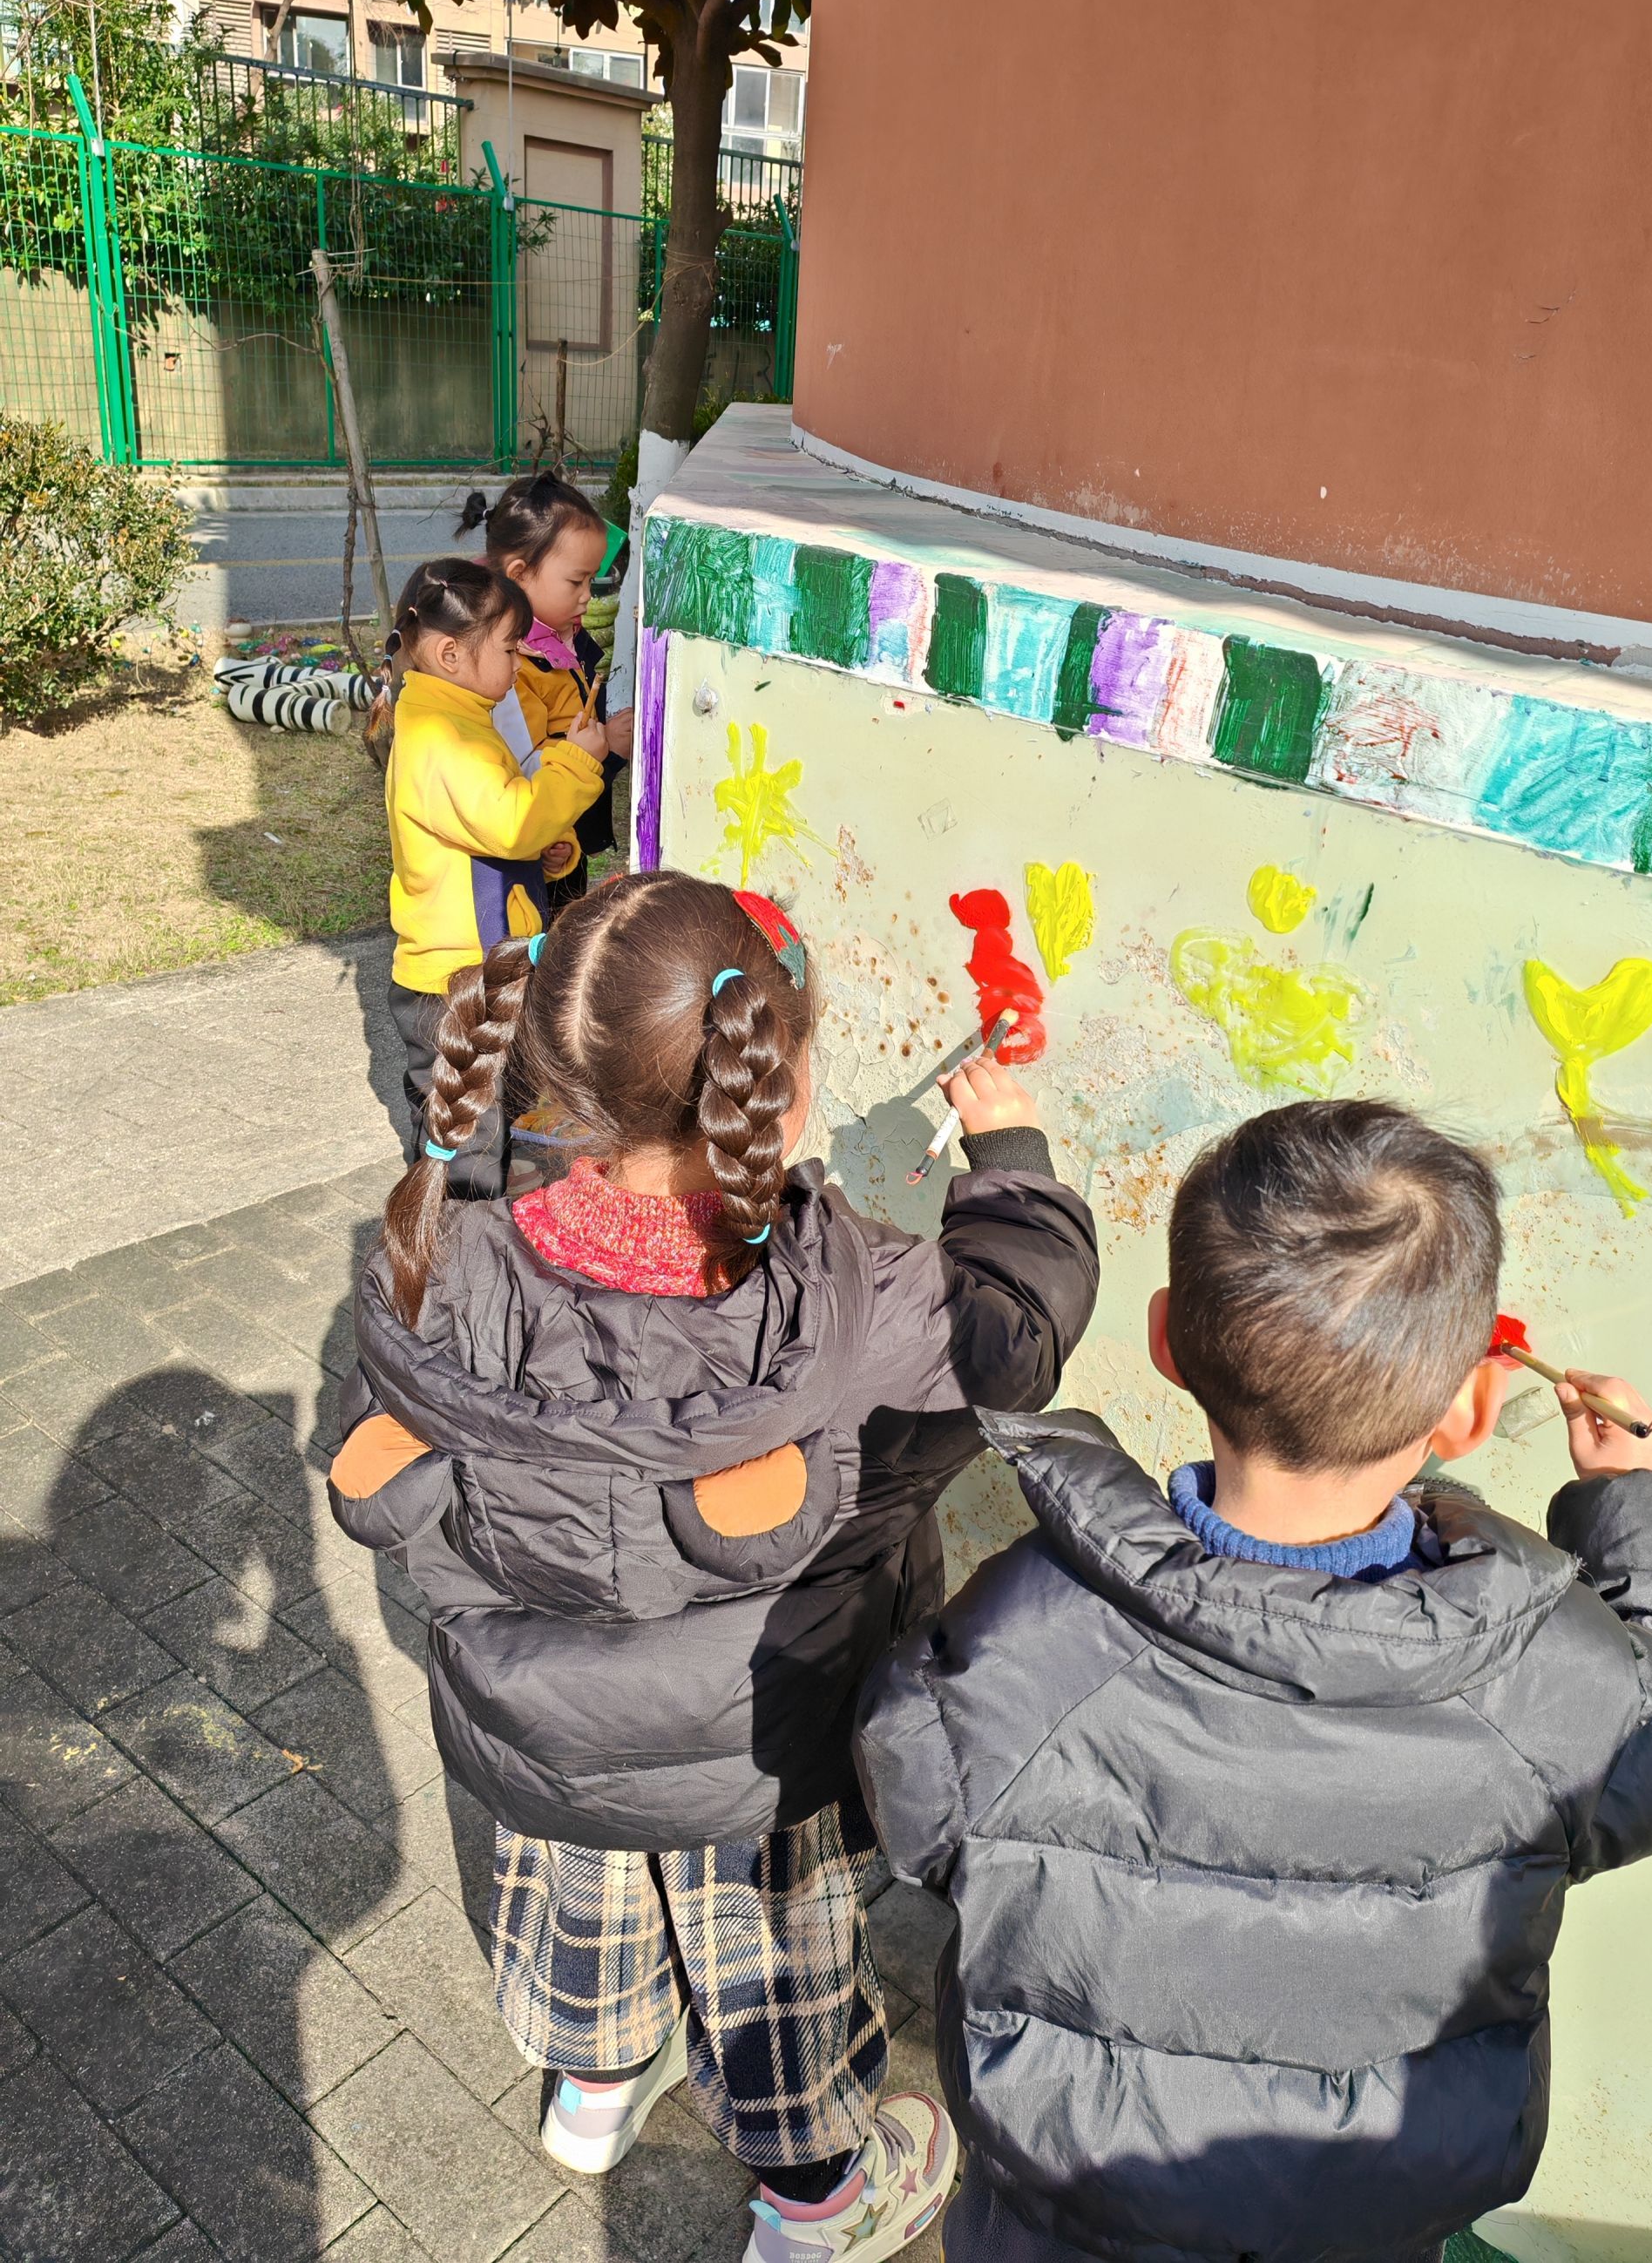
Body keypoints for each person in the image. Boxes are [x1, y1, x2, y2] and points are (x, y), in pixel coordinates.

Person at [856, 1097, 1652, 2263]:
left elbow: (911, 1786)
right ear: (1472, 1406)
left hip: (1059, 2222)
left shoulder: (1026, 1627)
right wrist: (1631, 1495)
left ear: (1165, 1340)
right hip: (1364, 2222)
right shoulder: (1548, 1685)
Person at [328, 871, 1100, 2261]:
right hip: (757, 1744)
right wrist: (1011, 1162)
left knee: (587, 1900)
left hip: (544, 1726)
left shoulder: (445, 1252)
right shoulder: (850, 1291)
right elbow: (1015, 1337)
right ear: (781, 1089)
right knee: (772, 1982)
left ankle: (594, 2089)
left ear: (555, 1073)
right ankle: (817, 2202)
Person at [383, 556, 605, 1197]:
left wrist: (551, 850)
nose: (518, 664)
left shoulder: (458, 717)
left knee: (485, 1111)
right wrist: (573, 763)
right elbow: (510, 823)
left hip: (477, 965)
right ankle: (456, 1233)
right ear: (450, 654)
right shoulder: (439, 736)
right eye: (510, 649)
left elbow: (500, 821)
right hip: (454, 980)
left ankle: (479, 1213)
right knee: (465, 1133)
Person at [457, 473, 630, 902]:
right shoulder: (508, 669)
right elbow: (520, 774)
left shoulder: (560, 638)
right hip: (537, 859)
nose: (587, 596)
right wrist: (606, 749)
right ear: (519, 575)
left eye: (591, 581)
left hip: (562, 837)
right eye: (576, 582)